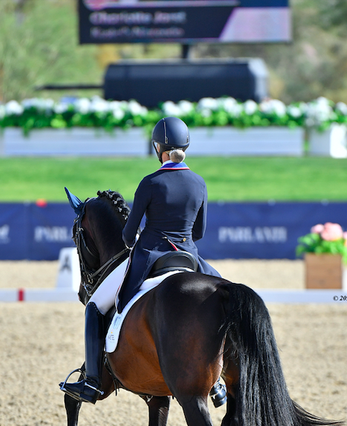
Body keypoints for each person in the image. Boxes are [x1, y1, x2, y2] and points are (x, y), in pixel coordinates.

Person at [61, 116, 226, 407]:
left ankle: (92, 381)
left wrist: (137, 238)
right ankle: (218, 382)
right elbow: (198, 232)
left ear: (158, 148)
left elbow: (127, 235)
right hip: (189, 256)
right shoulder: (199, 183)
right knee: (222, 298)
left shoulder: (150, 182)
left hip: (150, 256)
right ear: (185, 146)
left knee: (95, 307)